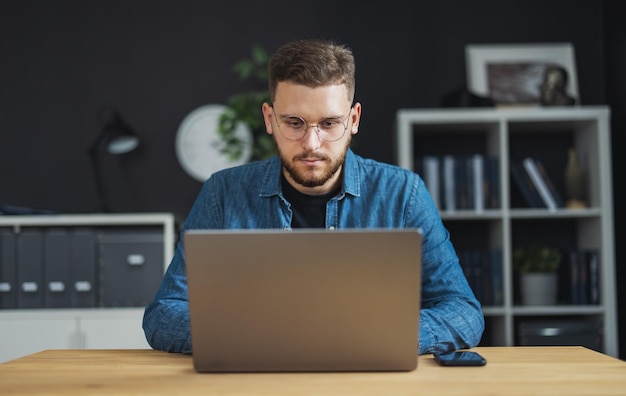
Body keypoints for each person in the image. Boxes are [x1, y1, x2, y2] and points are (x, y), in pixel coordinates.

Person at [143, 38, 485, 355]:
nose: (311, 143)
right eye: (294, 123)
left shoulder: (403, 193)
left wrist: (379, 336)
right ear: (269, 119)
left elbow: (464, 312)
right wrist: (253, 336)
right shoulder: (222, 193)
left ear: (353, 120)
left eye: (329, 123)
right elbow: (163, 314)